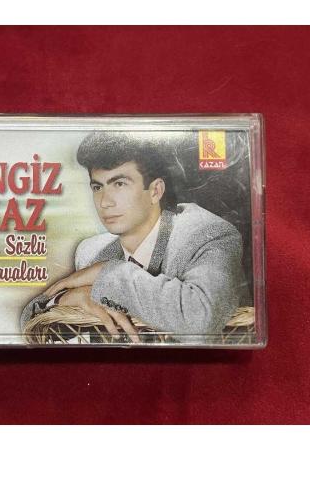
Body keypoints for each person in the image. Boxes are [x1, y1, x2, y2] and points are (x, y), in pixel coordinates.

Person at [20, 131, 246, 342]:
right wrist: (64, 299)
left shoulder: (207, 234)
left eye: (119, 184)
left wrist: (108, 273)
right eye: (97, 187)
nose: (105, 202)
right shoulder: (91, 251)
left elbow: (201, 320)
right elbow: (29, 320)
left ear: (155, 191)